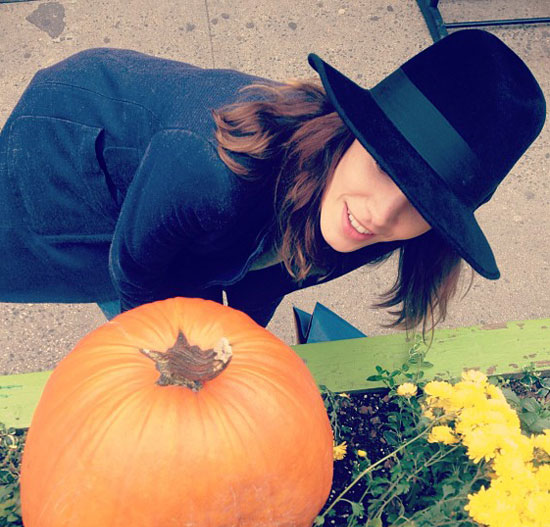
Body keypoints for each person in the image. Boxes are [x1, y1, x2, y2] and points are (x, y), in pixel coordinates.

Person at [0, 29, 545, 334]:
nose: (381, 214)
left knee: (194, 291)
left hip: (176, 199)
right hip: (70, 150)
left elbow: (276, 275)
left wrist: (236, 340)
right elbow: (138, 271)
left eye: (421, 204)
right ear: (352, 133)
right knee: (125, 293)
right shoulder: (211, 170)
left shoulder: (364, 219)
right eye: (384, 165)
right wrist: (184, 357)